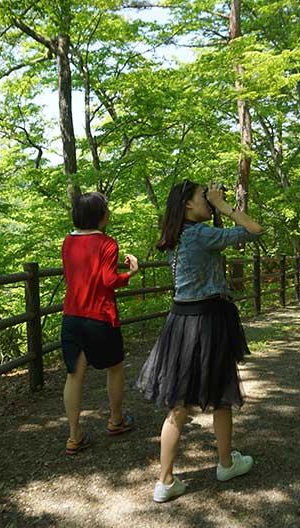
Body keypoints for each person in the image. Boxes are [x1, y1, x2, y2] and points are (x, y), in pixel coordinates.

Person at [136, 180, 265, 502]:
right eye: (202, 198)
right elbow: (254, 229)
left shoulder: (176, 236)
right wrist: (224, 206)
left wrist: (214, 205)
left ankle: (165, 482)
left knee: (177, 405)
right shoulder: (201, 234)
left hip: (179, 321)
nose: (208, 200)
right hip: (208, 320)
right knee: (221, 392)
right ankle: (225, 464)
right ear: (188, 206)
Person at [61, 192, 139, 455]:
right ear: (101, 216)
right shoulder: (107, 244)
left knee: (74, 375)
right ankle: (116, 420)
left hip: (72, 316)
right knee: (115, 368)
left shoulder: (67, 242)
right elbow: (108, 281)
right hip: (100, 316)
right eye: (106, 208)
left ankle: (74, 436)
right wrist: (130, 273)